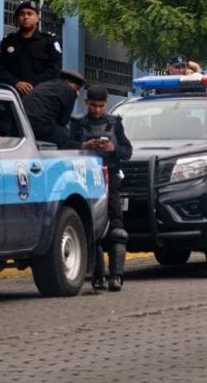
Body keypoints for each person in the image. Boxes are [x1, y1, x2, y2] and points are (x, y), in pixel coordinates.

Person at [69, 86, 133, 292]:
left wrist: (113, 148)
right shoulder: (77, 124)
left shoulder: (115, 123)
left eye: (101, 106)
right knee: (92, 228)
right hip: (86, 181)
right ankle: (98, 277)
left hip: (110, 180)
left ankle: (117, 276)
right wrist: (84, 146)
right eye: (93, 105)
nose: (97, 110)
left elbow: (127, 151)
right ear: (86, 102)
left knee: (117, 228)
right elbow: (65, 148)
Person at [0, 0, 62, 96]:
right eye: (22, 14)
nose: (25, 17)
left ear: (37, 18)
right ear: (17, 18)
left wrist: (32, 85)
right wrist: (16, 83)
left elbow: (55, 70)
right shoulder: (8, 42)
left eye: (30, 13)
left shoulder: (49, 41)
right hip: (13, 96)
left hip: (41, 96)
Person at [22, 69, 85, 148]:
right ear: (67, 82)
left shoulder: (45, 85)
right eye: (77, 88)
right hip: (40, 126)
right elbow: (63, 120)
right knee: (66, 134)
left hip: (23, 123)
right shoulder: (69, 90)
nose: (77, 93)